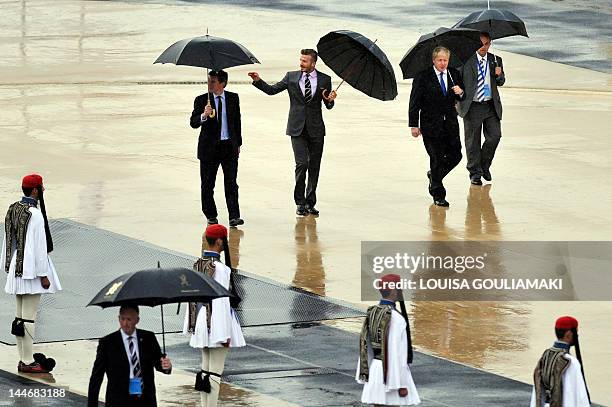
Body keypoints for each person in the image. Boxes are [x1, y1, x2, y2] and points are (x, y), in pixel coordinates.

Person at [248, 49, 337, 216]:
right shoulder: (291, 77)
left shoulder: (326, 79)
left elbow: (328, 105)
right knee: (302, 164)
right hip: (297, 128)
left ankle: (310, 203)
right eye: (301, 60)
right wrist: (258, 81)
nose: (301, 63)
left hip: (316, 129)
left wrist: (331, 100)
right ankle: (300, 202)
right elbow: (272, 90)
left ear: (313, 63)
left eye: (305, 61)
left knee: (314, 167)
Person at [1, 173, 61, 373]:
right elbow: (39, 247)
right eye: (41, 187)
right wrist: (43, 274)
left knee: (20, 317)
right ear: (34, 190)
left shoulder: (13, 208)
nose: (43, 190)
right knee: (28, 317)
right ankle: (27, 362)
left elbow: (8, 241)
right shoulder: (35, 215)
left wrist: (8, 266)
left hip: (17, 268)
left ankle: (23, 359)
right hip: (31, 270)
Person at [184, 223, 245, 407]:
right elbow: (221, 302)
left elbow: (192, 298)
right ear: (219, 242)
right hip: (216, 322)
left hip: (201, 321)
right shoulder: (221, 269)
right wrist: (224, 332)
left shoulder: (197, 264)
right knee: (215, 373)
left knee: (205, 371)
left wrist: (192, 325)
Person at [409, 46, 466, 207]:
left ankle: (434, 176)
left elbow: (463, 96)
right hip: (430, 125)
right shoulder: (422, 76)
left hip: (450, 124)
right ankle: (438, 194)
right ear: (434, 60)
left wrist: (460, 92)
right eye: (440, 60)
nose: (443, 63)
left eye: (445, 60)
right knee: (437, 158)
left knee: (456, 156)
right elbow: (414, 102)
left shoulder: (454, 74)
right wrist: (414, 124)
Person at [88, 304, 172, 407]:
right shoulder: (107, 343)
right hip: (119, 400)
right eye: (122, 319)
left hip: (145, 399)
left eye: (129, 319)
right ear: (118, 318)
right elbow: (96, 376)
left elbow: (158, 363)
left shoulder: (148, 338)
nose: (125, 323)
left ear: (137, 320)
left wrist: (166, 367)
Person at [190, 69, 244, 227]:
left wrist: (238, 144)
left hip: (229, 147)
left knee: (231, 183)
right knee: (207, 184)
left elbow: (237, 122)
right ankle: (211, 215)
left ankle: (234, 216)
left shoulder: (233, 98)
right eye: (209, 80)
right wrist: (203, 115)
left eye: (213, 81)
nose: (209, 84)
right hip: (209, 149)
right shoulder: (201, 100)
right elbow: (193, 123)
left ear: (223, 83)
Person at [357, 273, 420, 406]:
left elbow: (365, 346)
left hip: (375, 369)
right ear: (393, 291)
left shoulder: (372, 312)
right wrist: (401, 382)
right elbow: (398, 353)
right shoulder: (397, 319)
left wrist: (365, 372)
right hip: (392, 373)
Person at [458, 32, 505, 185]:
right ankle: (474, 173)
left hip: (491, 105)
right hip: (472, 106)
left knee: (495, 137)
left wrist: (499, 75)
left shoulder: (496, 59)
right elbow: (456, 79)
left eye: (486, 44)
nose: (483, 47)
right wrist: (456, 96)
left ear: (490, 43)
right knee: (472, 142)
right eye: (481, 44)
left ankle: (484, 165)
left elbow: (501, 81)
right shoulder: (465, 60)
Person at [530, 316, 590, 407]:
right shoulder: (571, 362)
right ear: (569, 334)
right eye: (576, 332)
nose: (577, 335)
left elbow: (537, 394)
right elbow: (581, 398)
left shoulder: (545, 356)